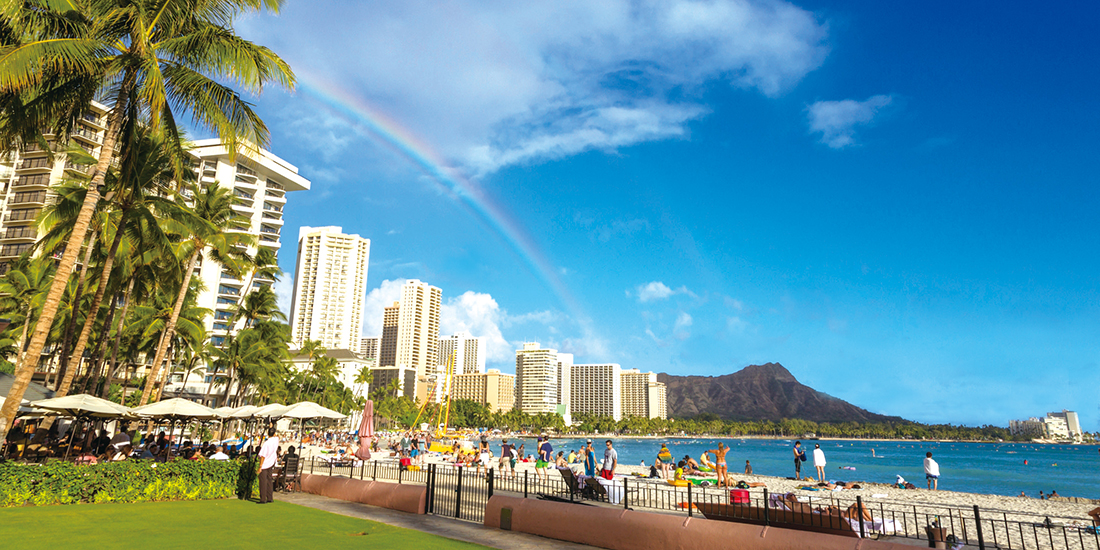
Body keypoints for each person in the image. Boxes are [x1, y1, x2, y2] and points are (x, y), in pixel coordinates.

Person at [258, 427, 279, 504]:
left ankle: (263, 498)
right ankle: (270, 497)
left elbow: (262, 456)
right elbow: (275, 435)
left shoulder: (267, 443)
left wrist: (260, 466)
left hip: (265, 463)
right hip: (271, 462)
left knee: (263, 481)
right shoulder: (276, 440)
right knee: (269, 480)